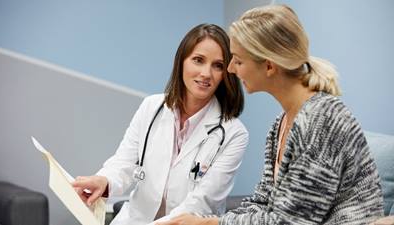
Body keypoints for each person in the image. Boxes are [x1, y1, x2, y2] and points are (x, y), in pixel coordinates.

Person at [157, 4, 384, 225]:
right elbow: (263, 202)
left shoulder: (322, 120)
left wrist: (211, 224)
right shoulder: (281, 125)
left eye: (238, 60)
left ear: (269, 66)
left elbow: (290, 221)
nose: (230, 70)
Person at [72, 23, 249, 225]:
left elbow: (201, 202)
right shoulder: (152, 107)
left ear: (226, 73)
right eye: (198, 60)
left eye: (217, 65)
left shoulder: (234, 133)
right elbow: (125, 162)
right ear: (181, 61)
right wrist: (103, 181)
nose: (206, 73)